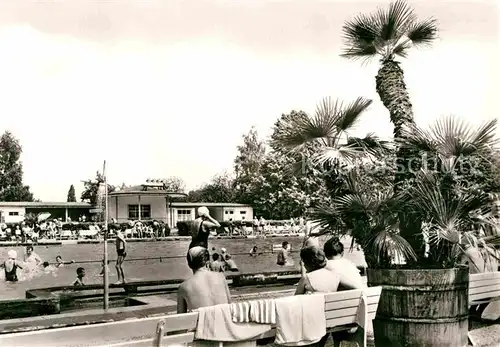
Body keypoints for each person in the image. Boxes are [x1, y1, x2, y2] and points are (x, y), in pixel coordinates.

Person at [177, 247, 231, 313]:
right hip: (224, 322)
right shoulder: (221, 277)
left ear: (189, 264)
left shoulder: (183, 287)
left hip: (202, 323)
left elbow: (180, 317)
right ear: (207, 261)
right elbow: (229, 305)